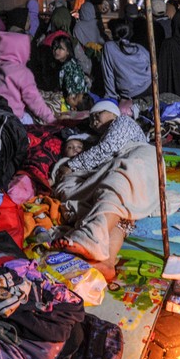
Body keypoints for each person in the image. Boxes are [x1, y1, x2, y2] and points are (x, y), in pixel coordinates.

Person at [53, 100, 149, 280]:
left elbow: (106, 149)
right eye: (91, 119)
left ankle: (91, 236)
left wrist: (73, 165)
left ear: (113, 113)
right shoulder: (101, 137)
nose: (94, 121)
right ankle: (108, 262)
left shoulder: (122, 122)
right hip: (127, 166)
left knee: (115, 185)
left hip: (139, 159)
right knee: (122, 215)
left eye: (98, 115)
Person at [0, 31, 57, 125]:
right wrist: (52, 120)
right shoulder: (23, 73)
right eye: (26, 48)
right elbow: (35, 101)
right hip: (13, 119)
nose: (29, 53)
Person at [101, 19, 152, 101]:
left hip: (130, 93)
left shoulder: (109, 47)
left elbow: (108, 73)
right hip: (148, 87)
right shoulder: (139, 49)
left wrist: (111, 96)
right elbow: (151, 65)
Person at [51, 35, 93, 112]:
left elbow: (71, 96)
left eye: (60, 48)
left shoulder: (70, 68)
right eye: (54, 47)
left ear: (68, 51)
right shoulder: (63, 64)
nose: (56, 51)